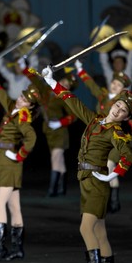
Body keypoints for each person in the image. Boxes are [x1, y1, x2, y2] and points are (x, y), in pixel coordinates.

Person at [41, 65, 132, 263]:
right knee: (100, 232)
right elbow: (72, 101)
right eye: (118, 105)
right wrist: (51, 81)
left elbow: (129, 155)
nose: (118, 110)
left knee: (86, 228)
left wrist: (114, 174)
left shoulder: (116, 132)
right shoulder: (95, 120)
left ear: (126, 116)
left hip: (97, 182)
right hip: (85, 180)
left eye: (123, 110)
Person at [0, 61, 38, 262]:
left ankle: (0, 250)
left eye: (25, 99)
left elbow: (31, 138)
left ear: (30, 106)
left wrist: (19, 155)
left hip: (10, 161)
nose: (20, 99)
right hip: (4, 159)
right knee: (14, 206)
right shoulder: (12, 108)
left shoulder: (22, 117)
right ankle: (17, 249)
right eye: (21, 96)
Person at [74, 59, 132, 212]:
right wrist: (80, 71)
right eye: (114, 83)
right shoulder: (104, 96)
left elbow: (131, 128)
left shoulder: (128, 106)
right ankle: (106, 199)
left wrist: (120, 137)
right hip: (100, 138)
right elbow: (91, 86)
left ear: (124, 89)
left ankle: (113, 201)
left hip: (116, 139)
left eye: (118, 85)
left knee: (109, 166)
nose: (114, 86)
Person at [22, 60, 78, 197]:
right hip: (48, 130)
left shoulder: (66, 98)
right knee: (59, 160)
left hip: (60, 132)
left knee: (55, 157)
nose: (64, 85)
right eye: (64, 82)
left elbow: (74, 115)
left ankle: (52, 190)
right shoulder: (47, 90)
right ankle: (62, 189)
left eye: (67, 85)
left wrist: (60, 123)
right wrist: (25, 68)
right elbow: (36, 81)